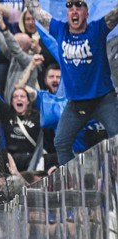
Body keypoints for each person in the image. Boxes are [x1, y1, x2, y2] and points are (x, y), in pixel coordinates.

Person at [24, 0, 118, 165]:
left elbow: (115, 14)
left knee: (116, 137)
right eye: (70, 7)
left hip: (103, 99)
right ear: (67, 14)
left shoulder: (97, 28)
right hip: (76, 103)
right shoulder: (59, 30)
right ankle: (72, 184)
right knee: (61, 142)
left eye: (79, 6)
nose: (74, 10)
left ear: (87, 13)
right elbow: (35, 11)